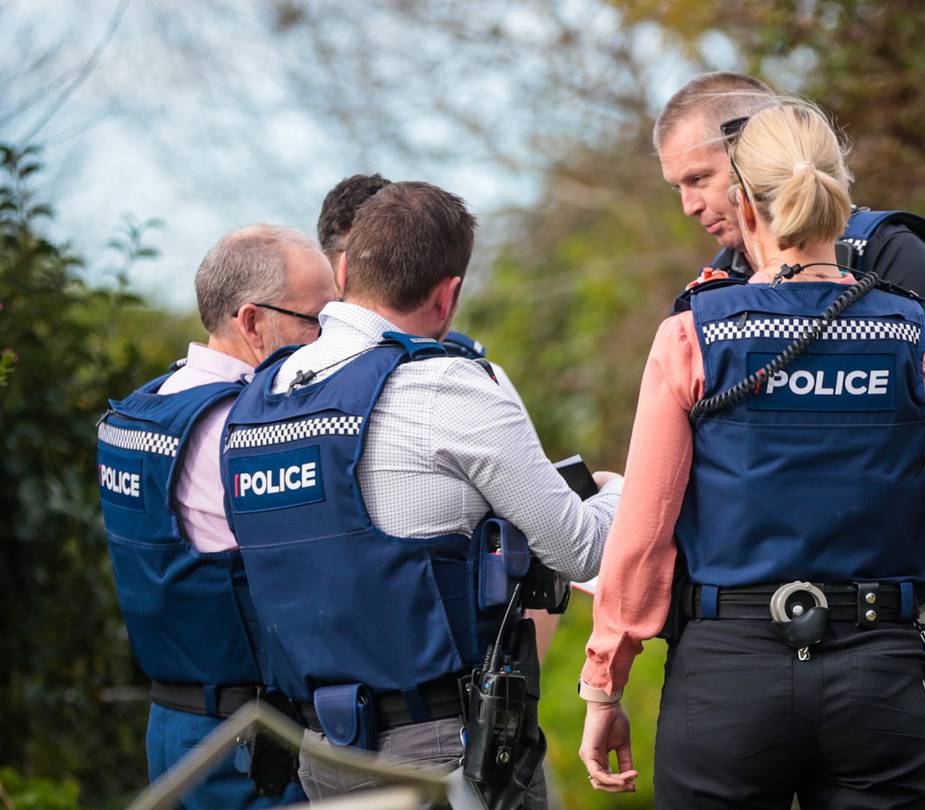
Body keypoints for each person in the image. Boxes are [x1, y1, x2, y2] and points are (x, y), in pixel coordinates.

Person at [580, 99, 925, 809]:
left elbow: (643, 533)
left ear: (744, 205)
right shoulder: (916, 337)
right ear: (839, 199)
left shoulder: (693, 335)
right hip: (880, 676)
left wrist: (606, 681)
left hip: (728, 677)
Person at [220, 181, 622, 806]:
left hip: (315, 749)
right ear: (448, 294)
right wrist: (616, 491)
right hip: (440, 749)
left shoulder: (256, 400)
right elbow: (580, 550)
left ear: (344, 271)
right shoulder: (446, 386)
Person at [97, 225, 336, 807]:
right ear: (252, 322)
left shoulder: (144, 409)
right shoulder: (240, 431)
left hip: (174, 720)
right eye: (317, 320)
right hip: (247, 738)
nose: (328, 338)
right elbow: (317, 565)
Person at [316, 172, 567, 662]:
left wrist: (515, 683)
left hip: (446, 672)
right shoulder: (284, 387)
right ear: (343, 270)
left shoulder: (469, 378)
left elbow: (537, 542)